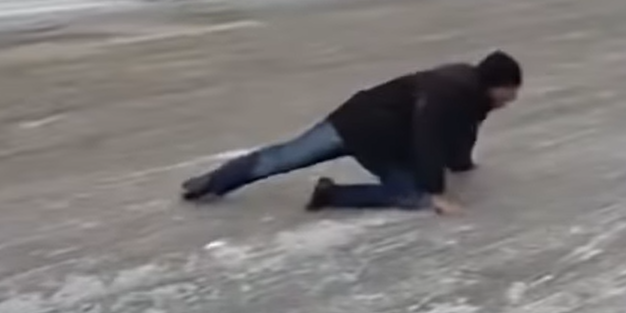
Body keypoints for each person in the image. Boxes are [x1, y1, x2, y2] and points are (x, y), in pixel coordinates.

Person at [179, 51, 523, 214]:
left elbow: (462, 132)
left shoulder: (472, 92)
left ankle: (211, 181)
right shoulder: (452, 91)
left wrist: (461, 164)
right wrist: (435, 191)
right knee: (413, 197)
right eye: (511, 91)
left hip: (354, 117)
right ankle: (332, 195)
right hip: (373, 134)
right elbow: (428, 134)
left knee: (284, 156)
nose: (513, 99)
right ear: (497, 85)